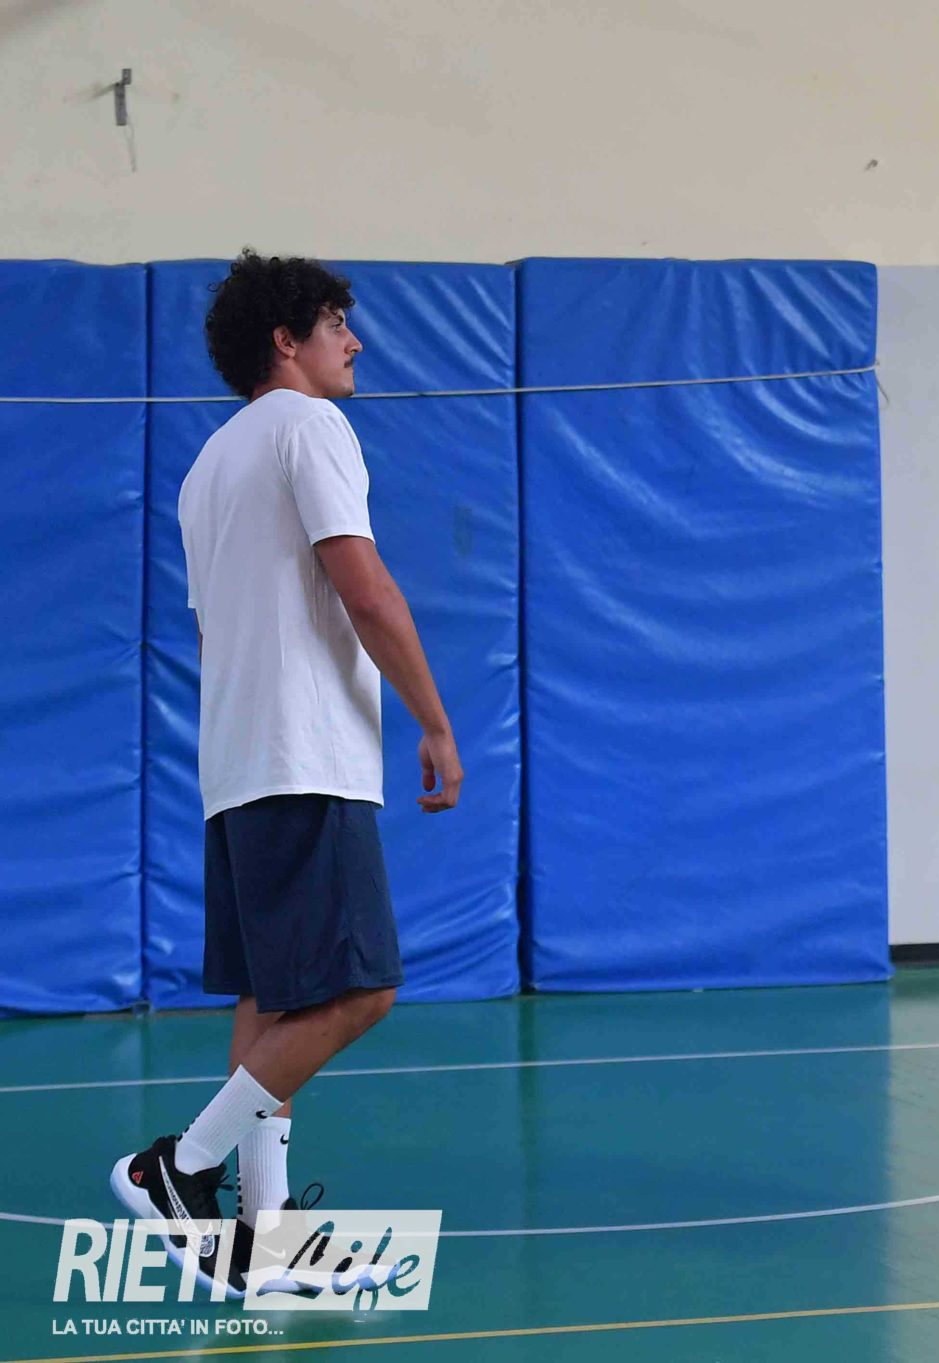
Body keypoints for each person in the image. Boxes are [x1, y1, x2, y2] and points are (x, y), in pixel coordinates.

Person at [109, 251, 463, 1295]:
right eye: (336, 322)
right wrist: (434, 721)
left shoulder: (206, 466)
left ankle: (266, 1233)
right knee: (362, 990)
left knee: (273, 998)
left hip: (236, 763)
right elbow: (365, 588)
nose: (355, 341)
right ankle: (180, 1165)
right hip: (306, 755)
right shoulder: (309, 427)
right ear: (285, 339)